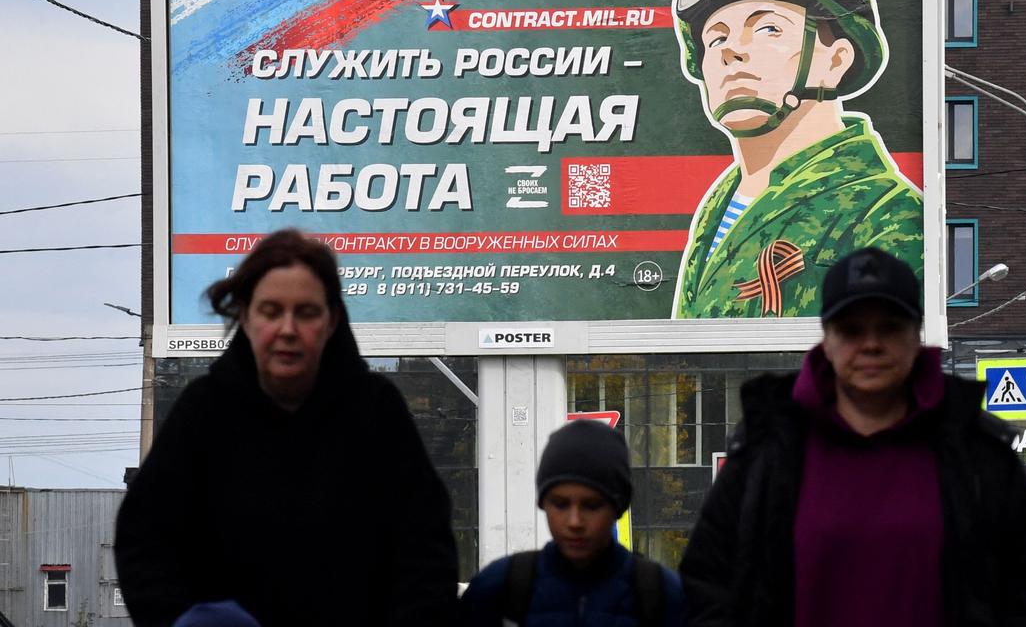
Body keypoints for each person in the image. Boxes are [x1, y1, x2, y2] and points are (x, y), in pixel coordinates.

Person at [679, 247, 1026, 626]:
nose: (871, 344)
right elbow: (708, 582)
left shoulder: (975, 451)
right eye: (851, 329)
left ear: (916, 337)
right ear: (826, 341)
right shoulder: (768, 449)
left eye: (889, 327)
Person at [115, 229, 459, 627]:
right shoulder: (204, 410)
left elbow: (426, 552)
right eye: (271, 310)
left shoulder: (377, 411)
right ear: (245, 316)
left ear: (331, 320)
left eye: (306, 312)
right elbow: (144, 540)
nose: (288, 329)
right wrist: (182, 618)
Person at [670, 0, 924, 319]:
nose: (729, 50)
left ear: (835, 62)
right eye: (715, 36)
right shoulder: (716, 209)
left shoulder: (885, 215)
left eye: (768, 29)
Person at [460, 419, 685, 626]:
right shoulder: (496, 588)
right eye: (560, 504)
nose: (574, 522)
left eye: (592, 505)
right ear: (542, 503)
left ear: (619, 506)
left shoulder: (664, 596)